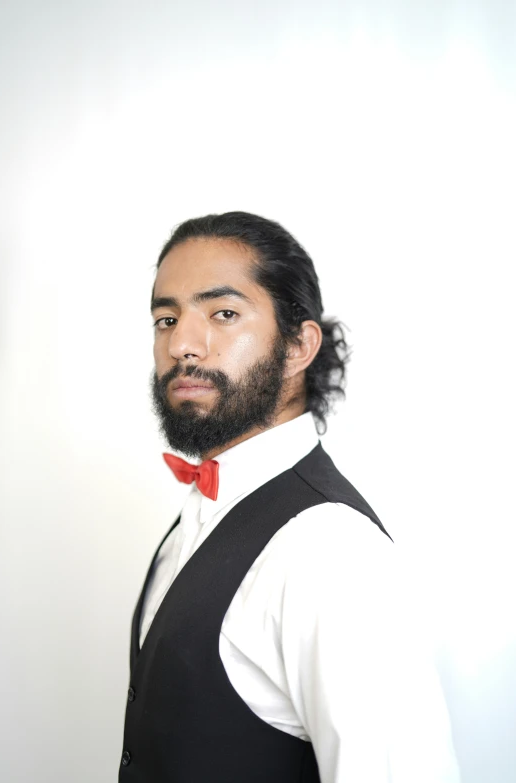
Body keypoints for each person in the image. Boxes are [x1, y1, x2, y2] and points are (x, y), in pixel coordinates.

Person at [119, 211, 460, 782]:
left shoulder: (330, 550)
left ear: (299, 346)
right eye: (165, 318)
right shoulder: (197, 518)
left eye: (223, 313)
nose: (182, 343)